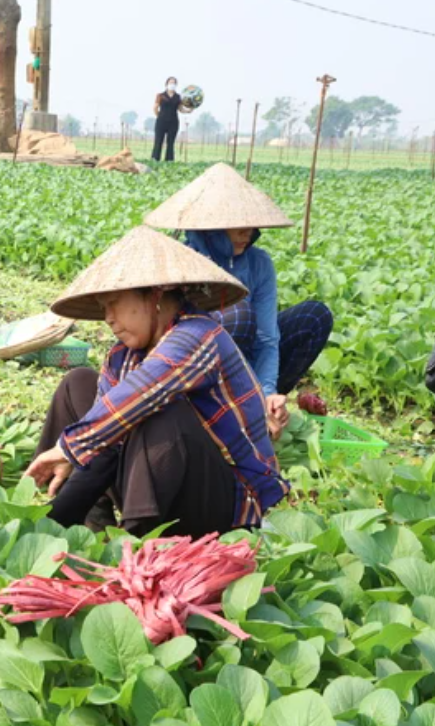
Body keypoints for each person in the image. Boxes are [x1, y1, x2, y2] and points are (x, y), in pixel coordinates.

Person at [25, 226, 289, 537]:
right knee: (78, 384)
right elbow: (105, 440)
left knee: (158, 412)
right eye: (102, 307)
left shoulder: (199, 335)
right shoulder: (122, 356)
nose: (108, 317)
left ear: (155, 296)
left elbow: (144, 392)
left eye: (114, 303)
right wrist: (48, 525)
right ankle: (85, 524)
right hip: (163, 488)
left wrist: (68, 448)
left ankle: (138, 544)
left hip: (226, 505)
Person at [144, 163, 334, 438]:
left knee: (314, 317)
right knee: (237, 312)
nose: (249, 232)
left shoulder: (259, 263)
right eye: (239, 225)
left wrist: (265, 391)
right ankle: (213, 412)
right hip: (195, 367)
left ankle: (261, 408)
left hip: (246, 358)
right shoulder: (184, 259)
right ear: (213, 225)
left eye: (251, 224)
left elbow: (267, 337)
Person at [152, 77, 191, 162]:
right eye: (170, 82)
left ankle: (169, 161)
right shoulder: (160, 96)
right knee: (158, 141)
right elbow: (155, 107)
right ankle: (155, 159)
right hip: (161, 122)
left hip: (173, 122)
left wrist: (188, 110)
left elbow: (180, 109)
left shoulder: (178, 97)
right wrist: (159, 115)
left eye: (174, 83)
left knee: (170, 143)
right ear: (166, 84)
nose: (172, 84)